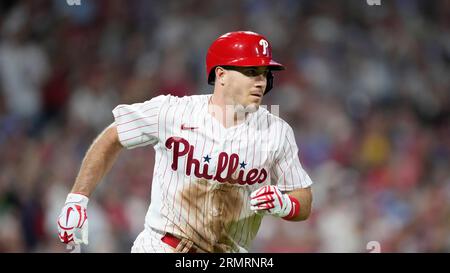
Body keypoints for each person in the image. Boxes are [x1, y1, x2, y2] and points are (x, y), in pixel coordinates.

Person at [57, 31, 313, 253]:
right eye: (251, 71)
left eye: (265, 73)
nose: (261, 81)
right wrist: (77, 199)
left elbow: (303, 198)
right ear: (221, 75)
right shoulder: (173, 111)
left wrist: (285, 205)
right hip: (162, 245)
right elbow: (114, 135)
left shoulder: (277, 131)